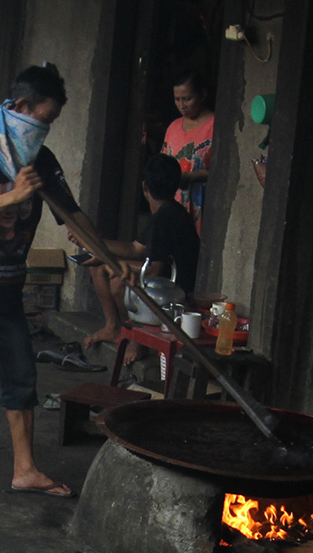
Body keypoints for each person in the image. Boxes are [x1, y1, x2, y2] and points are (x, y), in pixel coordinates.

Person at [0, 63, 127, 497]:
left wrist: (108, 258)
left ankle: (25, 470)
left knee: (21, 375)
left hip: (6, 288)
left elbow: (72, 213)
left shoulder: (39, 160)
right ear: (20, 107)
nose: (45, 130)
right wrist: (15, 196)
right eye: (44, 119)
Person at [82, 153, 201, 349]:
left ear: (144, 186)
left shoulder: (164, 218)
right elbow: (135, 248)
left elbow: (153, 270)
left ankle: (137, 337)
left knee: (116, 282)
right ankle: (113, 327)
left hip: (175, 294)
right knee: (100, 267)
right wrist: (94, 243)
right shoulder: (169, 210)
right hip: (165, 284)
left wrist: (114, 264)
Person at [161, 70, 214, 231]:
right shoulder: (174, 127)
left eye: (187, 99)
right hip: (174, 207)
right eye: (177, 99)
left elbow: (222, 173)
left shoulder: (215, 126)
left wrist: (191, 176)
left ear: (202, 95)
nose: (182, 106)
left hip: (202, 206)